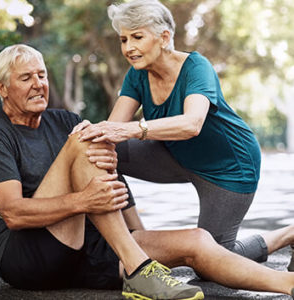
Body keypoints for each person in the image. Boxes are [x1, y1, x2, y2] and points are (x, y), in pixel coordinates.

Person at [0, 44, 294, 300]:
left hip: (89, 248)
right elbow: (13, 214)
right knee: (86, 139)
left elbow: (109, 174)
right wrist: (84, 202)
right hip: (26, 256)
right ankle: (138, 269)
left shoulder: (63, 121)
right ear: (2, 88)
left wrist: (138, 237)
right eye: (25, 78)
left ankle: (286, 283)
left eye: (41, 75)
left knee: (197, 241)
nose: (38, 84)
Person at [74, 0, 290, 266]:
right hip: (176, 156)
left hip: (230, 166)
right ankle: (137, 240)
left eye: (137, 37)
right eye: (124, 39)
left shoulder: (197, 68)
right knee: (98, 151)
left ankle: (288, 235)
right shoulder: (137, 75)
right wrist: (95, 131)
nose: (128, 48)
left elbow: (191, 124)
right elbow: (113, 132)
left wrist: (128, 129)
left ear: (164, 37)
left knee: (213, 263)